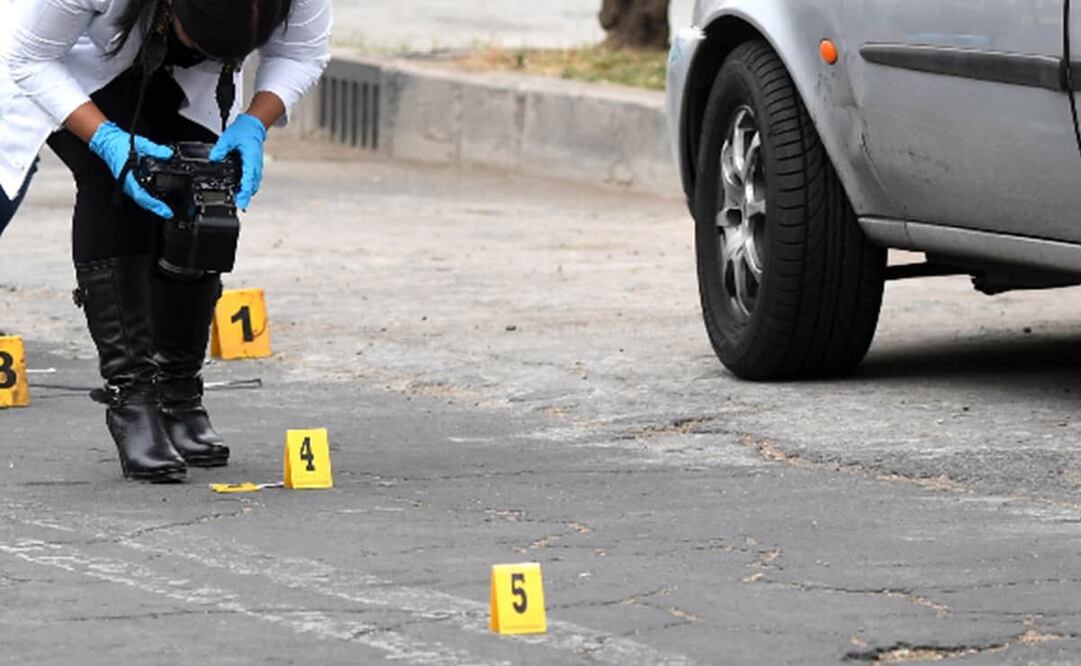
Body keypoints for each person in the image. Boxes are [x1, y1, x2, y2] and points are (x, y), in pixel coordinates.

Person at [0, 0, 331, 482]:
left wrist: (254, 121)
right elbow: (30, 57)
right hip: (67, 62)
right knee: (111, 187)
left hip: (179, 74)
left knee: (201, 193)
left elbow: (302, 53)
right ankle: (132, 401)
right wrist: (110, 140)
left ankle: (179, 393)